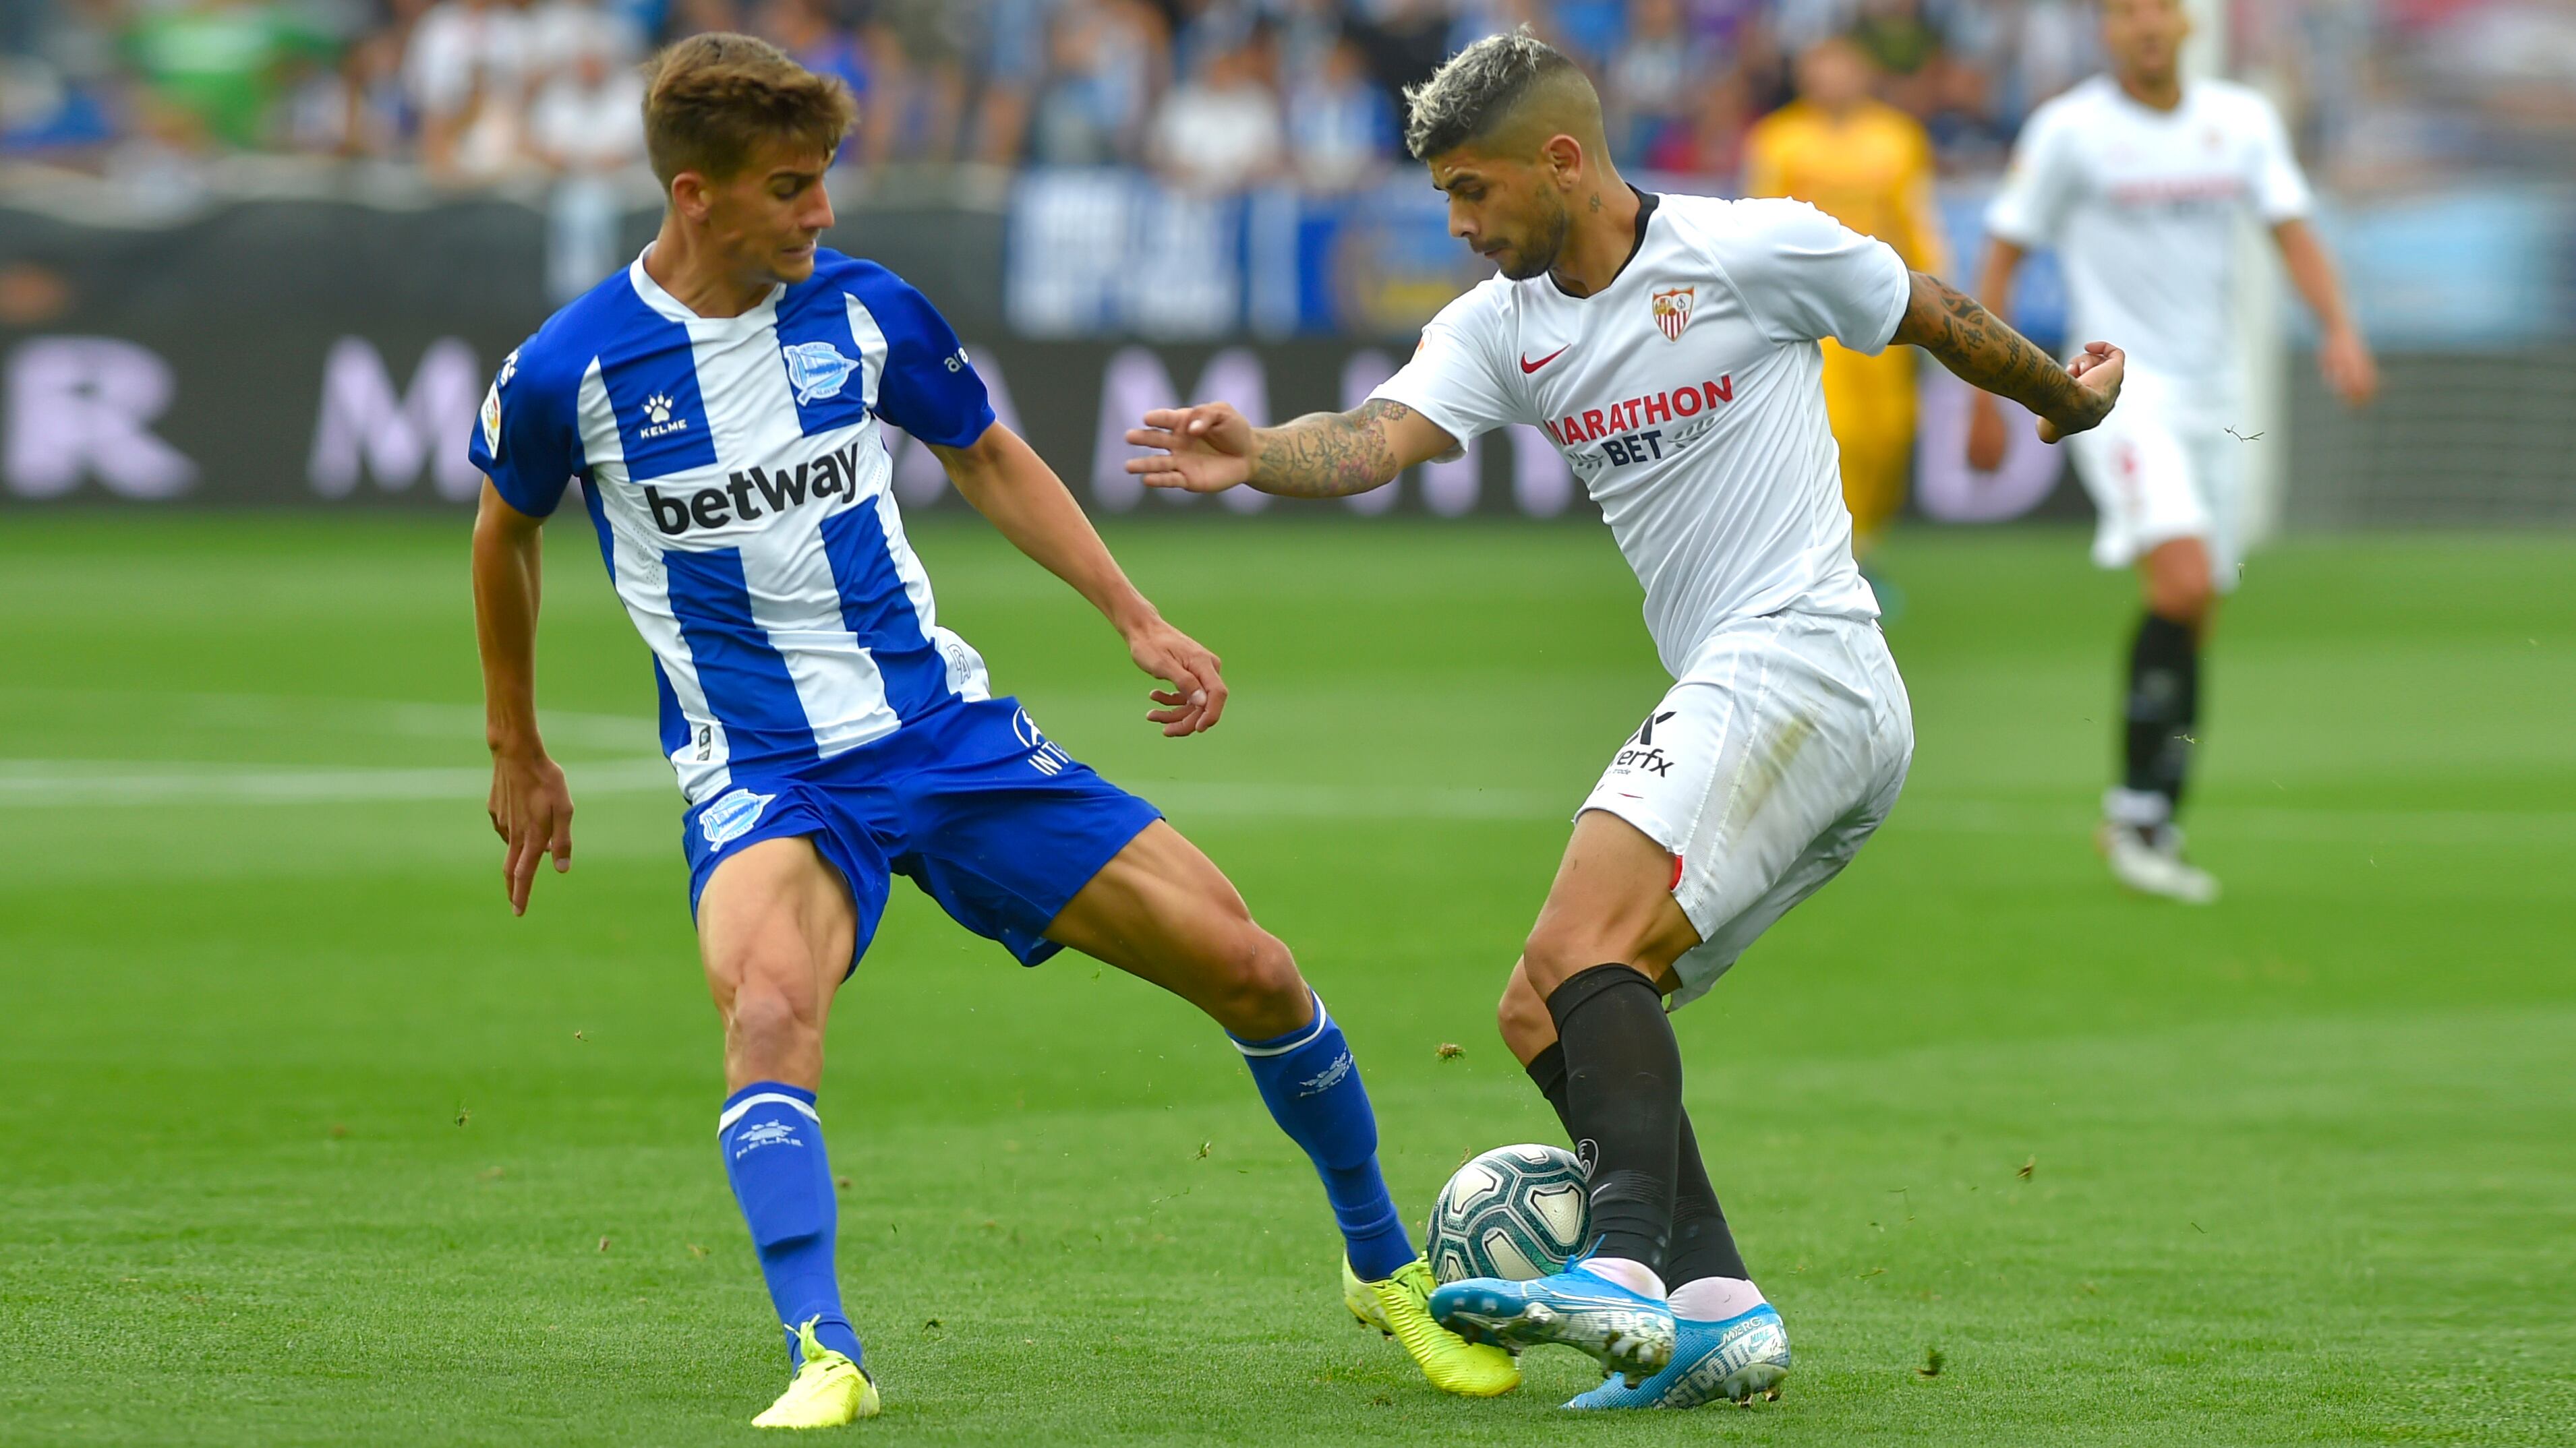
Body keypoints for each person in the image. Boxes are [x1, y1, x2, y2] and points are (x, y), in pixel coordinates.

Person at [467, 33, 1515, 1429]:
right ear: (693, 194)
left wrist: (1132, 618)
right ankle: (821, 1350)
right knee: (770, 1014)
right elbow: (505, 531)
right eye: (788, 187)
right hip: (764, 775)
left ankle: (1383, 1269)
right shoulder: (572, 371)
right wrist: (515, 749)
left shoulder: (864, 313)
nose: (819, 212)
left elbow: (984, 452)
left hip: (942, 735)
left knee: (1252, 970)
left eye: (822, 180)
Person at [1123, 28, 2123, 1410]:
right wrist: (1258, 458)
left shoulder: (1746, 248)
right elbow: (1374, 437)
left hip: (1803, 660)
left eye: (1472, 194)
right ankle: (1718, 1311)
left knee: (1576, 947)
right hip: (1774, 702)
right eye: (1444, 203)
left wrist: (2058, 401)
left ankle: (1625, 1274)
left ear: (1560, 159)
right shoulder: (1501, 326)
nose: (1460, 227)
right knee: (1544, 1008)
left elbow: (1924, 309)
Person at [1966, 0, 2375, 904]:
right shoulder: (2070, 131)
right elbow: (2003, 251)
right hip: (2121, 396)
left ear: (2188, 28)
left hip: (2219, 401)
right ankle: (2137, 810)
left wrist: (2340, 327)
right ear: (2106, 33)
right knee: (2182, 585)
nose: (2145, 26)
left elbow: (2291, 229)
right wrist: (1989, 393)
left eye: (2159, 11)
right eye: (2125, 13)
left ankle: (2153, 815)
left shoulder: (2240, 120)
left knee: (2200, 609)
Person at [1744, 35, 1949, 563]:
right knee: (1840, 429)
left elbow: (1915, 216)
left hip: (1884, 302)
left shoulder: (1898, 138)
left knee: (1890, 431)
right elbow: (1758, 222)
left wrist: (1936, 284)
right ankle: (1841, 554)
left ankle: (1868, 538)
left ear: (1864, 73)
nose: (1831, 80)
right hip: (1813, 309)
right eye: (1821, 69)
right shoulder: (1779, 139)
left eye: (1842, 68)